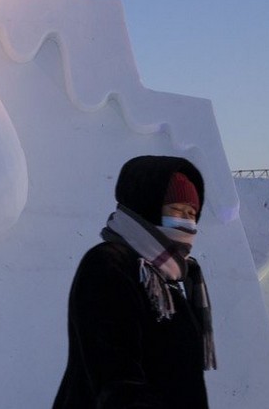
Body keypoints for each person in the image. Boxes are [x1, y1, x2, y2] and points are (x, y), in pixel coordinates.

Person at [53, 155, 217, 408]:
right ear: (147, 205)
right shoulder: (109, 265)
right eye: (175, 209)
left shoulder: (168, 277)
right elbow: (117, 381)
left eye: (191, 213)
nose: (185, 221)